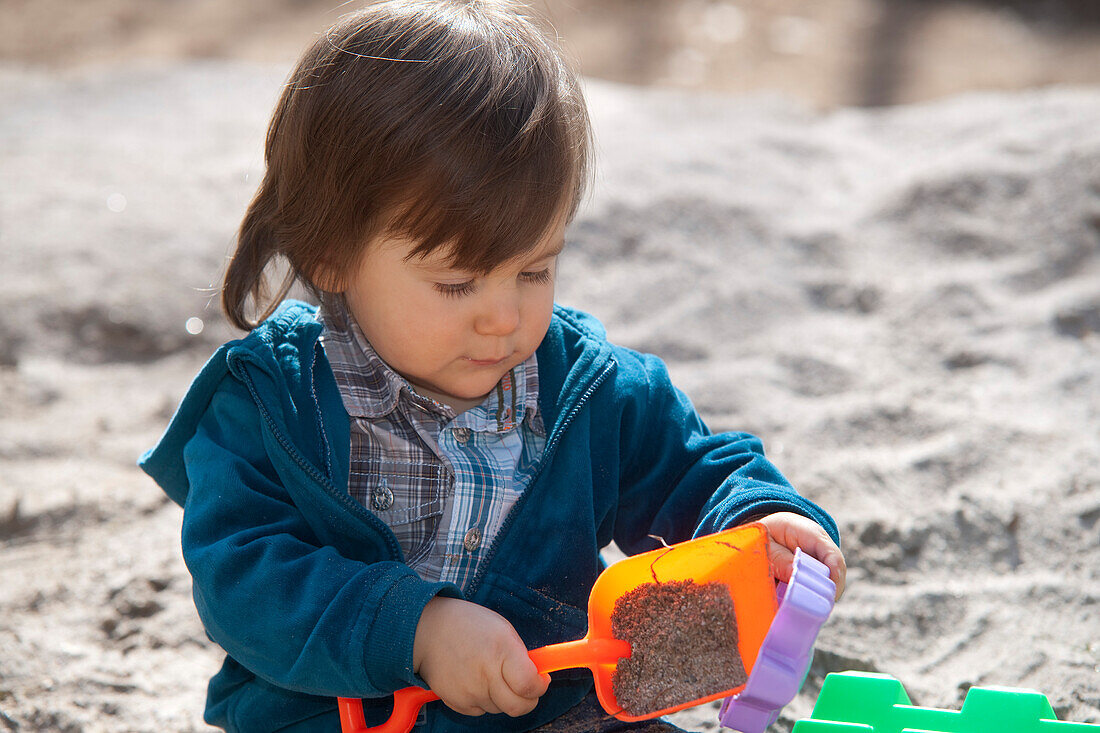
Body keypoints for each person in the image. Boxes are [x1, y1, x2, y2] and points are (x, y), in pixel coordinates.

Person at [140, 1, 846, 731]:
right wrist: (415, 628)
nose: (504, 317)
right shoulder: (269, 406)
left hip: (553, 709)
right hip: (333, 716)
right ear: (332, 253)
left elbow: (695, 469)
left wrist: (765, 519)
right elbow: (245, 579)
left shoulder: (587, 388)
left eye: (535, 270)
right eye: (457, 283)